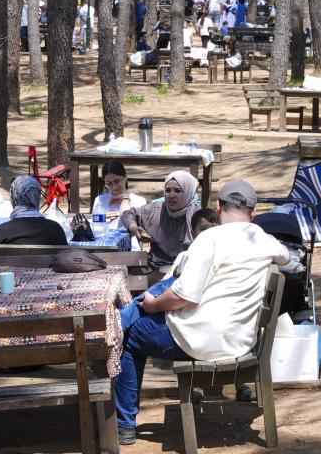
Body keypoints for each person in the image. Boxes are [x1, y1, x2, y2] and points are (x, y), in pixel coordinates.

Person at [112, 180, 289, 445]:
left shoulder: (209, 239)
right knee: (155, 300)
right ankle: (123, 318)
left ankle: (124, 425)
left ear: (218, 207)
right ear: (253, 212)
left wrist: (153, 305)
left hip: (199, 341)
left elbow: (184, 296)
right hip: (241, 341)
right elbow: (286, 256)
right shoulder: (265, 240)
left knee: (131, 336)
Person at [119, 208, 218, 331]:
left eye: (214, 229)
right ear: (193, 234)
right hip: (167, 299)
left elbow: (179, 293)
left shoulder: (212, 257)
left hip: (183, 313)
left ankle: (121, 321)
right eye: (204, 230)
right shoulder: (188, 254)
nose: (209, 234)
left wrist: (153, 304)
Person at [119, 171, 200, 270]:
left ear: (188, 192)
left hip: (189, 269)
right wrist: (134, 228)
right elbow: (127, 214)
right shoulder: (154, 210)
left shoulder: (198, 216)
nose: (171, 195)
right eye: (168, 190)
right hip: (158, 269)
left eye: (178, 191)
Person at [0, 176, 68, 246]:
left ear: (14, 198)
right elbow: (65, 256)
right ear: (37, 197)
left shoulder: (0, 232)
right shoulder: (56, 230)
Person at [90, 161, 149, 229]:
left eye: (117, 181)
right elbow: (94, 223)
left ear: (125, 178)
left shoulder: (139, 201)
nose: (114, 187)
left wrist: (125, 214)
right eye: (109, 184)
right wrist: (102, 219)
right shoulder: (100, 200)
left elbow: (143, 227)